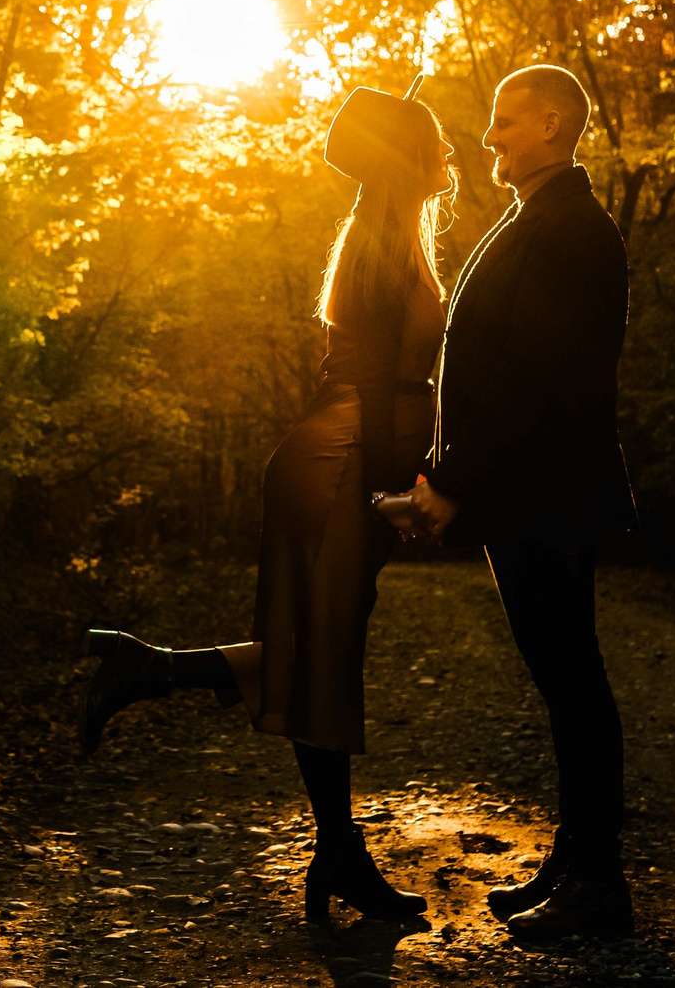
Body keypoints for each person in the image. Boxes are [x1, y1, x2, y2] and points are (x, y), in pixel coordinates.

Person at [76, 81, 453, 923]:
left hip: (345, 455)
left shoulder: (396, 236)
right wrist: (395, 489)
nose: (449, 156)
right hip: (340, 462)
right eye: (434, 141)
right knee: (325, 659)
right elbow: (367, 383)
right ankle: (342, 860)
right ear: (409, 157)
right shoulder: (379, 240)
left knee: (314, 648)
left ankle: (150, 668)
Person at [377, 62, 637, 939]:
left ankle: (599, 886)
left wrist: (453, 483)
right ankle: (576, 862)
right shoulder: (540, 220)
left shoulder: (574, 232)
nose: (489, 137)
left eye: (506, 121)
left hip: (549, 497)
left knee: (575, 683)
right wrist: (443, 472)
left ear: (555, 122)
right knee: (564, 682)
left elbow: (533, 377)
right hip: (526, 495)